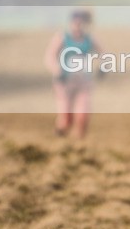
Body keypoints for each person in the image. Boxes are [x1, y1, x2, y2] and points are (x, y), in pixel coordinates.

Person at [44, 9, 102, 139]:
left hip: (83, 82)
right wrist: (57, 70)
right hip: (65, 82)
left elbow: (103, 54)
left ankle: (80, 145)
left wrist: (103, 67)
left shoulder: (89, 39)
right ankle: (59, 138)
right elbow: (50, 56)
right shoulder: (63, 38)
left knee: (83, 116)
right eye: (75, 22)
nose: (77, 25)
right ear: (71, 23)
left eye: (80, 22)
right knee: (66, 119)